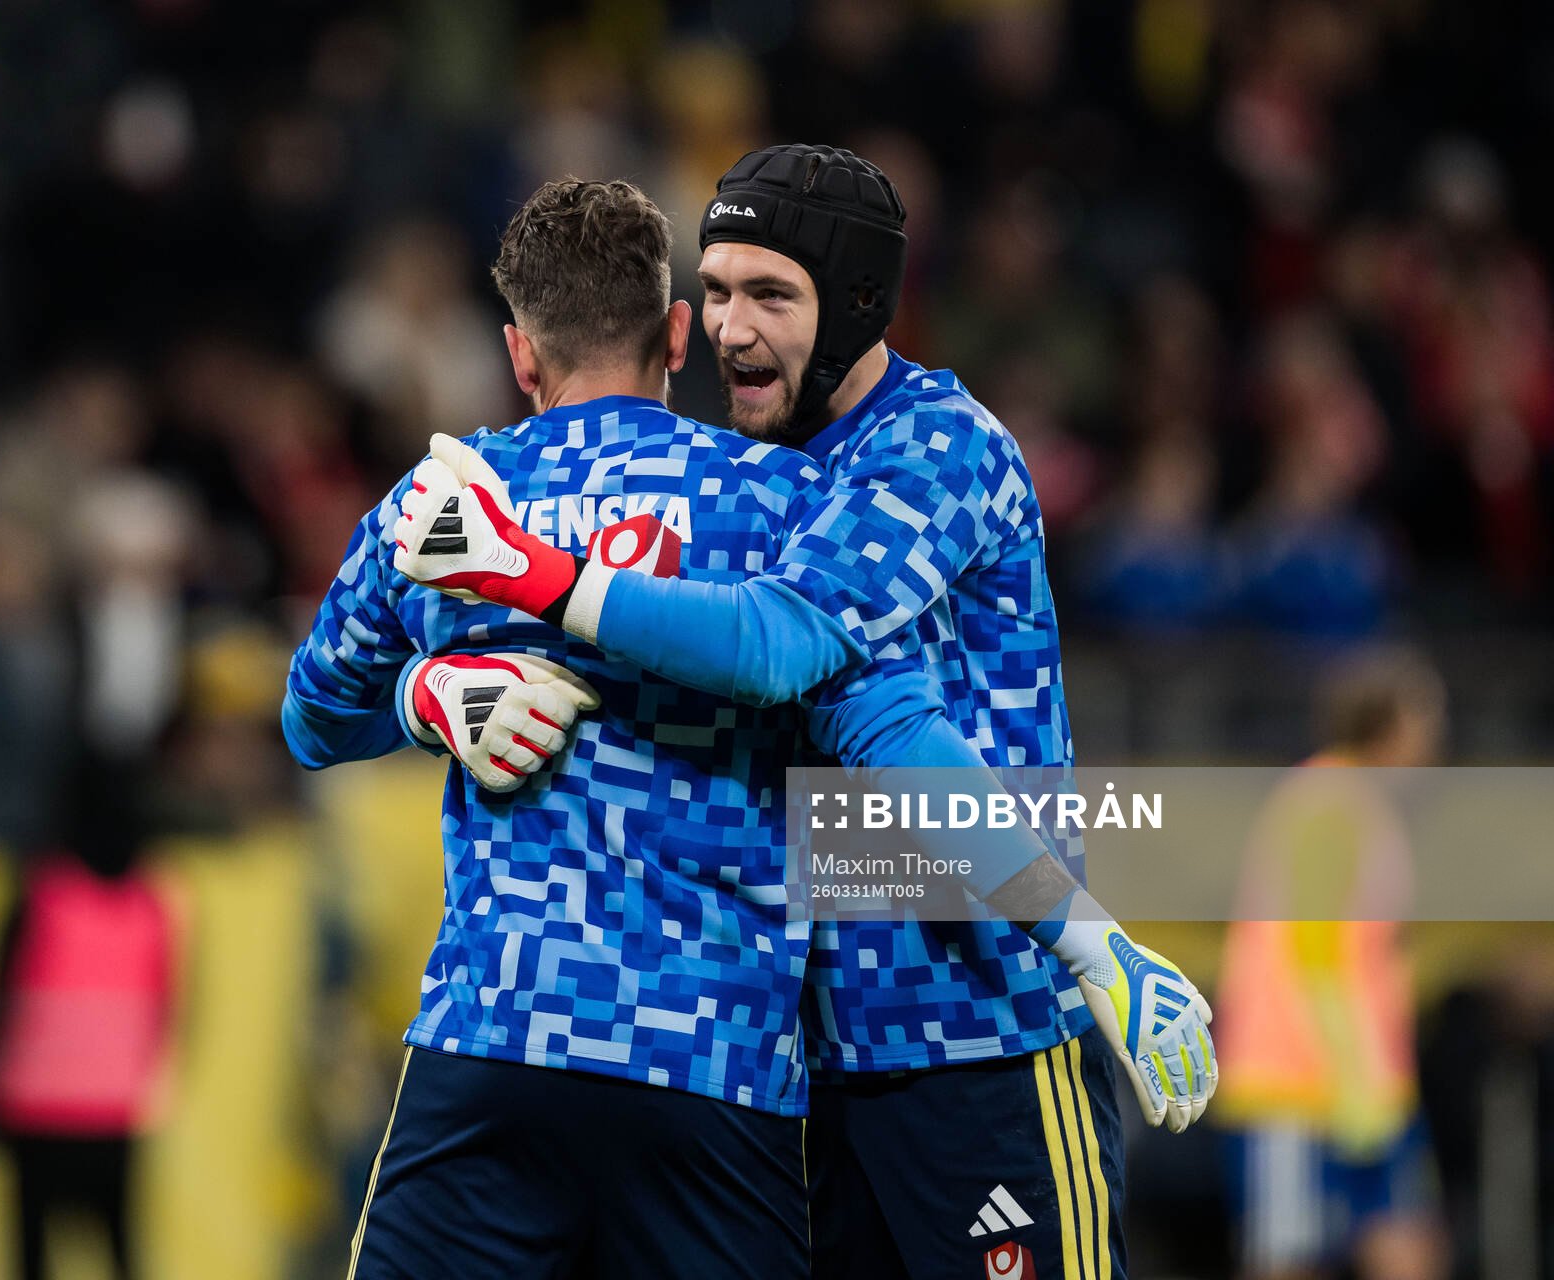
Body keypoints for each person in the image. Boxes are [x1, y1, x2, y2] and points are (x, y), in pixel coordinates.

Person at [394, 144, 1215, 1280]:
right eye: (718, 288)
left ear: (858, 305)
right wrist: (426, 687)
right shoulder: (742, 472)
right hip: (807, 1062)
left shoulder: (938, 447)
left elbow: (786, 650)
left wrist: (1092, 944)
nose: (731, 329)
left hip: (980, 1035)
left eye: (771, 295)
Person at [284, 177, 1035, 1278]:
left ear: (518, 353)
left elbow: (311, 714)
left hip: (492, 1037)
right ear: (679, 334)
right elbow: (888, 716)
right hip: (711, 1064)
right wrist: (1075, 923)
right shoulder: (777, 501)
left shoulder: (441, 501)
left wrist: (426, 695)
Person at [1216, 648, 1449, 1280]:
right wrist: (1355, 1076)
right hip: (1296, 1080)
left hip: (1362, 1080)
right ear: (1389, 721)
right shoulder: (1327, 802)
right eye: (1423, 715)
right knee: (1289, 1261)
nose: (1434, 733)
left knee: (1405, 1243)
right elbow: (1312, 952)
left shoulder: (1362, 808)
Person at [0, 767, 181, 1280]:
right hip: (115, 1108)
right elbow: (167, 1009)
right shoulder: (152, 901)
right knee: (120, 1250)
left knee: (31, 1255)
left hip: (34, 1107)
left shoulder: (40, 891)